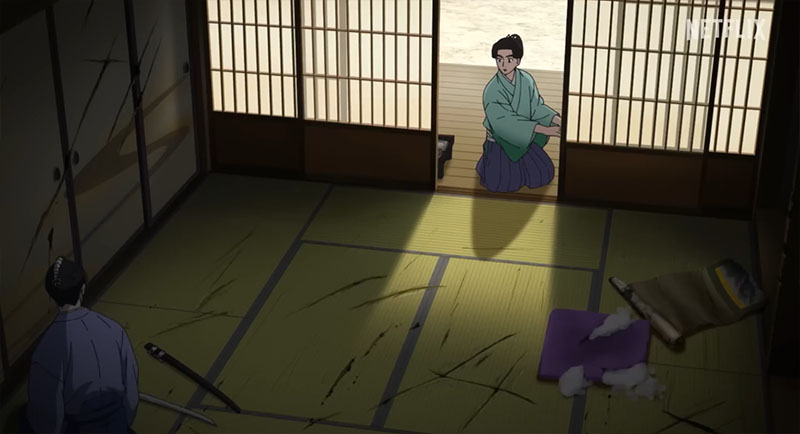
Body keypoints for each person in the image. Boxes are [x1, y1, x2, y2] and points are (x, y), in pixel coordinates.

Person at [21, 257, 139, 433]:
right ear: (82, 288)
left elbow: (48, 420)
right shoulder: (113, 328)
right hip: (117, 425)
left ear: (51, 295)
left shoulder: (46, 349)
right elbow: (131, 395)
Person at [477, 34, 562, 193]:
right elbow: (505, 123)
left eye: (509, 59)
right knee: (503, 183)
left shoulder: (526, 79)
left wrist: (557, 119)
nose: (504, 64)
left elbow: (536, 107)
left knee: (543, 174)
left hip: (522, 138)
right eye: (499, 59)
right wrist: (546, 130)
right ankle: (488, 162)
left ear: (518, 61)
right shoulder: (492, 90)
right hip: (501, 141)